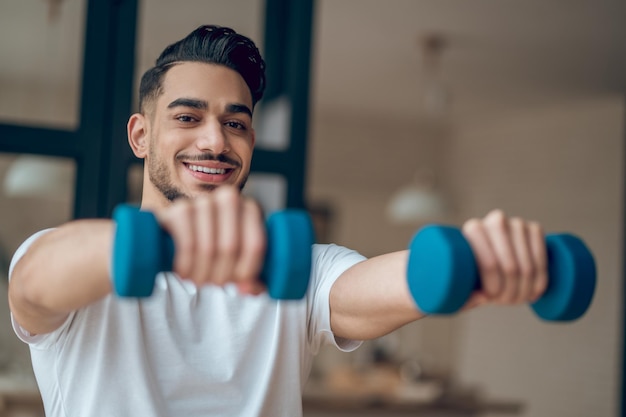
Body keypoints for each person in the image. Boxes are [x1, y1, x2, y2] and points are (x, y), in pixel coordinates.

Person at [8, 25, 547, 417]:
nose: (215, 141)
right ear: (140, 135)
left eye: (235, 123)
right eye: (188, 117)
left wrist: (471, 263)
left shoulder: (297, 271)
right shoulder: (74, 264)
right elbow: (34, 281)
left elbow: (376, 287)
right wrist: (169, 237)